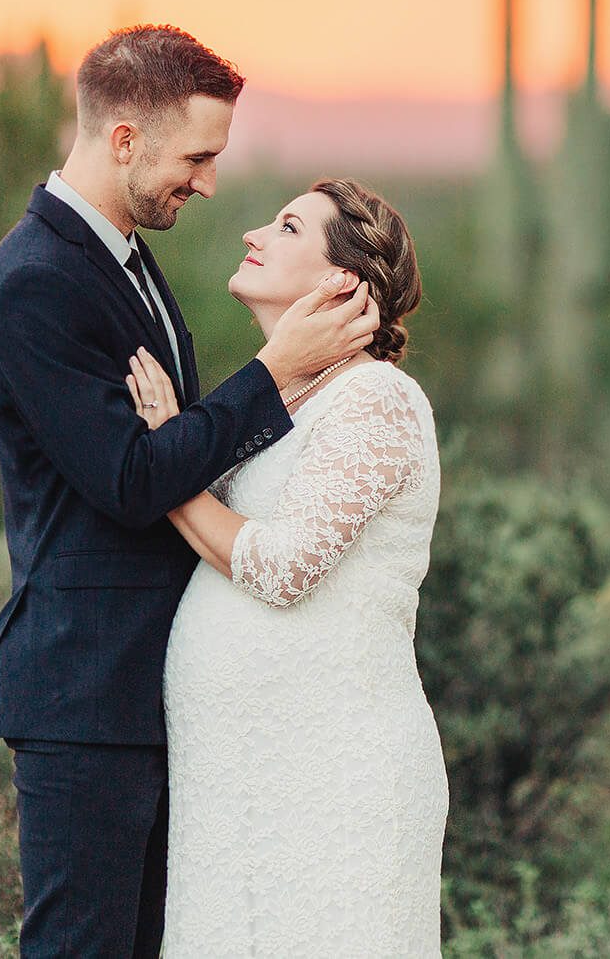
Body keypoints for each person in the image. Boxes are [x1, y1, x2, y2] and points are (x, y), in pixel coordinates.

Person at [0, 25, 379, 958]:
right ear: (124, 139)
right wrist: (274, 371)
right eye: (195, 157)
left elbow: (169, 452)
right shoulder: (36, 281)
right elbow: (128, 480)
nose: (204, 181)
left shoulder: (126, 261)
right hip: (84, 694)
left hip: (150, 692)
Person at [129, 178, 447, 956]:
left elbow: (283, 565)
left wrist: (168, 460)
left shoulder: (376, 398)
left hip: (335, 783)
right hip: (241, 787)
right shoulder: (288, 405)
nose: (253, 232)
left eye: (288, 225)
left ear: (341, 280)